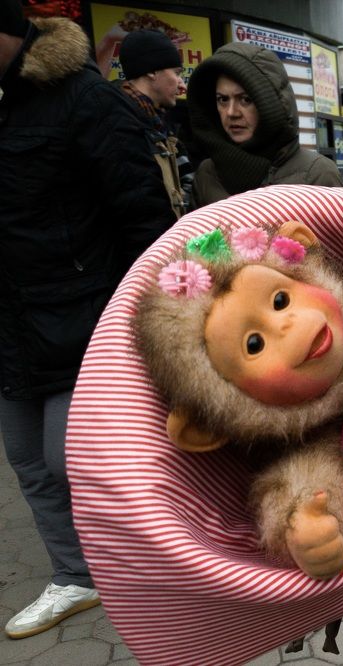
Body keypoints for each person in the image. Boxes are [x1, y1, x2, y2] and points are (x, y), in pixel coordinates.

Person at [0, 1, 176, 640]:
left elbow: (144, 222)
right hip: (13, 327)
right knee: (26, 458)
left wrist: (140, 322)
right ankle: (74, 575)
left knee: (70, 458)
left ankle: (158, 574)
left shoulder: (86, 101)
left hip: (84, 322)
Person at [185, 42, 343, 208]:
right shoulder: (206, 174)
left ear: (271, 105)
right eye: (223, 100)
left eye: (246, 100)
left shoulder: (317, 173)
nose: (232, 112)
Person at [116, 28, 192, 218]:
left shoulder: (159, 124)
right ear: (151, 71)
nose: (182, 85)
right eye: (176, 73)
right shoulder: (120, 124)